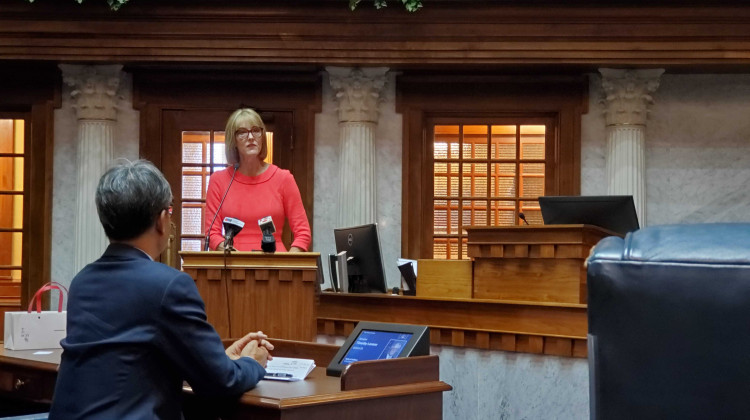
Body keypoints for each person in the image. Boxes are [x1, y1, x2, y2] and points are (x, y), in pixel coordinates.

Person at [50, 160, 273, 420]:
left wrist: (220, 359)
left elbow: (130, 361)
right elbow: (221, 384)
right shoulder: (169, 285)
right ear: (161, 220)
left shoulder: (82, 282)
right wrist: (252, 362)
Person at [205, 108, 311, 252]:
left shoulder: (284, 179)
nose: (250, 137)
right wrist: (227, 250)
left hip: (276, 267)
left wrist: (288, 263)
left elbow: (303, 233)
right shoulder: (218, 181)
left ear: (262, 136)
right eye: (242, 132)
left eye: (256, 130)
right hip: (232, 266)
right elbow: (212, 234)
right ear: (233, 140)